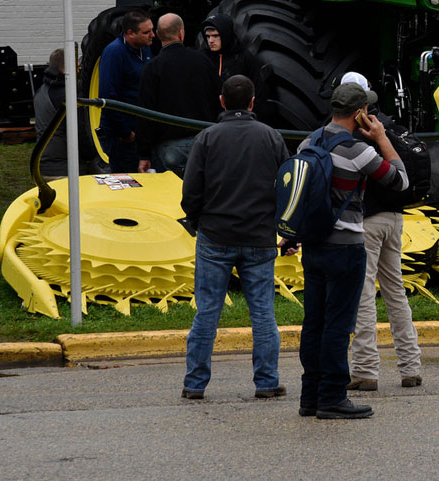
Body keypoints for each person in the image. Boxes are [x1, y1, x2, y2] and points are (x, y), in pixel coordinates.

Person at [292, 82, 408, 420]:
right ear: (360, 113)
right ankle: (332, 397)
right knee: (338, 326)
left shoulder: (307, 142)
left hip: (313, 246)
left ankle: (309, 397)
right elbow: (399, 181)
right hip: (346, 248)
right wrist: (382, 139)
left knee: (313, 323)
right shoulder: (359, 150)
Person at [180, 75, 290, 400]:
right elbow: (286, 185)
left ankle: (195, 383)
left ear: (222, 101)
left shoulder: (207, 138)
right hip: (259, 237)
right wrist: (281, 225)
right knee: (263, 312)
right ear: (253, 101)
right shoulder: (271, 137)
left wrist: (196, 218)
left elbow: (191, 190)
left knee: (207, 311)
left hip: (215, 235)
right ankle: (267, 381)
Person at [346, 74, 423, 394]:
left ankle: (365, 370)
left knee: (364, 297)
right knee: (396, 292)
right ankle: (411, 367)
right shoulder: (388, 127)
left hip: (367, 220)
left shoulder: (350, 135)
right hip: (395, 218)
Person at [136, 13, 221, 176]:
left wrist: (144, 154)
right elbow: (219, 99)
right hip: (205, 142)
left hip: (169, 148)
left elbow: (144, 114)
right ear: (181, 33)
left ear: (158, 35)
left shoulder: (152, 68)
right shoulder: (203, 62)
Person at [97, 10, 155, 173]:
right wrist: (125, 133)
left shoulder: (145, 49)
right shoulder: (114, 53)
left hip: (140, 129)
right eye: (146, 32)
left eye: (152, 30)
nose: (152, 35)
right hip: (124, 136)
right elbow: (108, 95)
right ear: (130, 33)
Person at [32, 48, 87, 179]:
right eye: (77, 67)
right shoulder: (66, 96)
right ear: (66, 69)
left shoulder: (44, 89)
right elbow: (79, 132)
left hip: (44, 164)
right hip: (63, 169)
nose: (79, 70)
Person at [199, 13, 253, 84]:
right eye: (208, 36)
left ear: (225, 35)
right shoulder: (203, 57)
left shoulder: (243, 57)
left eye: (216, 36)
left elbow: (257, 88)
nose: (210, 41)